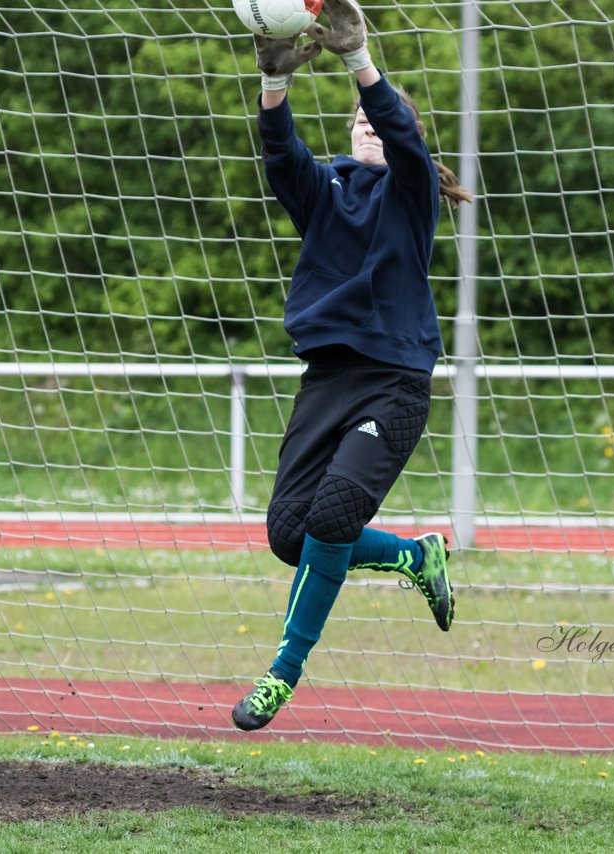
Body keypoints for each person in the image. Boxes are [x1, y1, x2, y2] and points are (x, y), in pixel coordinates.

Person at [232, 0, 474, 732]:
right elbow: (281, 159)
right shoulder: (328, 190)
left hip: (395, 382)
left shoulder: (413, 192)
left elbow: (399, 131)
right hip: (329, 380)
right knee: (287, 534)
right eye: (359, 120)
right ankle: (413, 558)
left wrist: (361, 63)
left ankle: (282, 674)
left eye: (382, 120)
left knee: (334, 515)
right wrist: (274, 86)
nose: (369, 125)